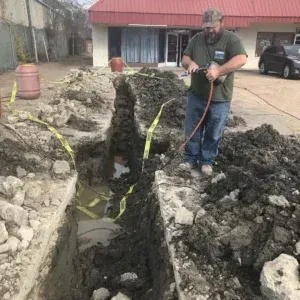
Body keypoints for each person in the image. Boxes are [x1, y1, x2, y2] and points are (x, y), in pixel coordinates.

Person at [181, 8, 247, 175]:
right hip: (196, 94)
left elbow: (241, 59)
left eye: (213, 26)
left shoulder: (231, 39)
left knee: (213, 131)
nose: (209, 30)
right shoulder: (196, 39)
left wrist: (219, 71)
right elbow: (185, 58)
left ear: (222, 23)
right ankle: (190, 159)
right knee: (193, 129)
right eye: (206, 27)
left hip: (219, 98)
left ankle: (207, 161)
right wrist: (191, 64)